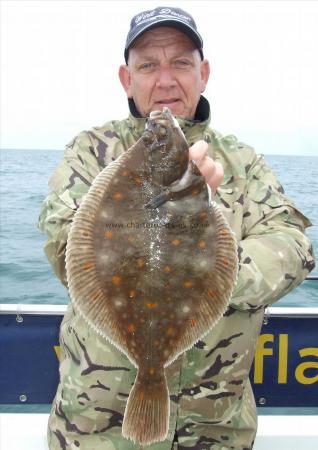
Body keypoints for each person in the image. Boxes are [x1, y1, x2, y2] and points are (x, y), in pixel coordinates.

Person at [38, 6, 315, 450]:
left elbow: (293, 245)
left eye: (181, 63)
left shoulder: (243, 161)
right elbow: (66, 244)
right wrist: (170, 226)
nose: (165, 80)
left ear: (203, 73)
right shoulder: (92, 152)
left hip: (215, 433)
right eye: (148, 65)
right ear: (127, 80)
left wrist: (210, 266)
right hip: (97, 433)